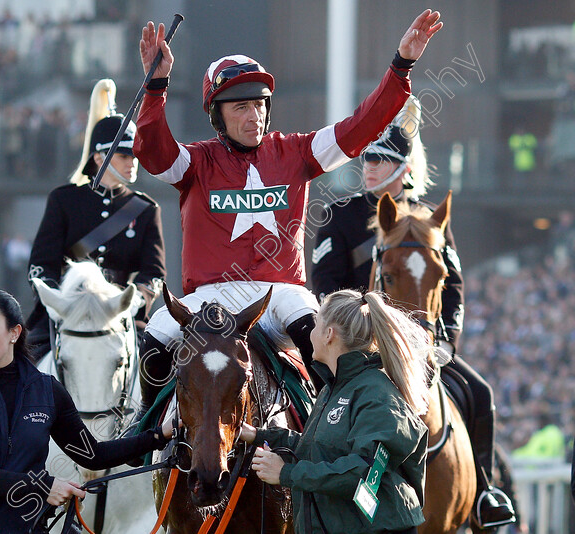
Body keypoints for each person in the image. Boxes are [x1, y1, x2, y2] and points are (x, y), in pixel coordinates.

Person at [130, 10, 442, 425]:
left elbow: (361, 126)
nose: (253, 116)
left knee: (331, 347)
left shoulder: (297, 151)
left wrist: (401, 65)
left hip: (281, 294)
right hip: (210, 298)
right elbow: (152, 153)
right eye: (240, 107)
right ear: (216, 115)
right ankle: (145, 427)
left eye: (259, 105)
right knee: (152, 344)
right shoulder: (196, 162)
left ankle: (334, 433)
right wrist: (155, 87)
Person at [311, 98, 516, 528]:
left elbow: (453, 287)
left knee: (480, 394)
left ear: (404, 168)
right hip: (357, 344)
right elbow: (325, 286)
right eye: (367, 156)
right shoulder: (339, 217)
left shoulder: (429, 218)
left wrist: (445, 342)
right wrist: (354, 334)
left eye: (382, 159)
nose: (369, 165)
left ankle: (483, 490)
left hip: (426, 343)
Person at [0, 289, 176, 533]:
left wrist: (158, 436)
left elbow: (93, 455)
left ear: (14, 333)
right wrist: (44, 487)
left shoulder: (47, 391)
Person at [239, 290, 429, 533]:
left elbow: (365, 473)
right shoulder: (334, 389)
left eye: (316, 323)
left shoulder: (376, 393)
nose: (310, 332)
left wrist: (287, 473)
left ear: (329, 334)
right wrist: (257, 435)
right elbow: (320, 451)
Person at [26, 78, 166, 358]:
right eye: (124, 155)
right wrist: (62, 301)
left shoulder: (146, 210)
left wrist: (134, 300)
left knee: (163, 369)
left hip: (120, 317)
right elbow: (41, 265)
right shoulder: (64, 200)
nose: (132, 162)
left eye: (135, 156)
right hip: (63, 315)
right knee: (18, 370)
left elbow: (154, 274)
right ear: (100, 158)